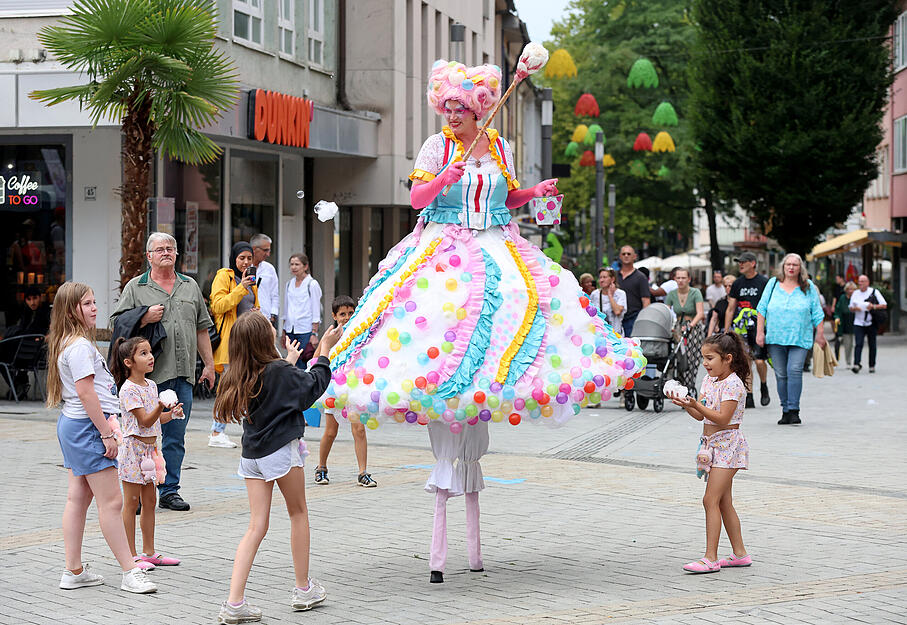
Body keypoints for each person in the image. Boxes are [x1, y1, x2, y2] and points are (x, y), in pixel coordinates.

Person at [322, 59, 644, 580]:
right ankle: (442, 531)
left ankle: (469, 533)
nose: (452, 116)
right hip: (443, 249)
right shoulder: (436, 147)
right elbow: (416, 198)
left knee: (512, 319)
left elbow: (507, 198)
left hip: (496, 244)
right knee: (439, 332)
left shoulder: (498, 145)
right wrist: (443, 177)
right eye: (447, 108)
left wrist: (534, 193)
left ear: (479, 110)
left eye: (461, 109)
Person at [214, 313, 342, 623]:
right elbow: (313, 386)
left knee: (256, 526)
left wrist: (289, 360)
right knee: (298, 513)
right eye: (268, 325)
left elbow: (277, 383)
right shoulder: (279, 371)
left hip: (251, 456)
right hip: (280, 451)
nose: (273, 326)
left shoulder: (240, 372)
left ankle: (234, 603)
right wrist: (325, 349)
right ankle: (303, 589)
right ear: (262, 337)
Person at [47, 282, 157, 594]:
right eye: (87, 303)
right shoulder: (80, 347)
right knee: (111, 502)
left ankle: (74, 570)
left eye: (94, 302)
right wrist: (107, 433)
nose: (94, 308)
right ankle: (130, 571)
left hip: (76, 426)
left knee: (78, 498)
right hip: (87, 427)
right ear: (71, 310)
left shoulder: (70, 343)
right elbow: (86, 393)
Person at [111, 232, 215, 512]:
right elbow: (117, 323)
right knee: (141, 438)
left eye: (170, 248)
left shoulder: (189, 286)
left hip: (183, 375)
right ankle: (139, 493)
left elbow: (201, 328)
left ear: (177, 254)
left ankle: (169, 490)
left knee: (175, 437)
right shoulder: (136, 287)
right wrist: (144, 317)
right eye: (159, 249)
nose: (166, 252)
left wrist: (209, 365)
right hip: (148, 380)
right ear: (149, 256)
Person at [669, 332, 751, 575]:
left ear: (728, 358)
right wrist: (687, 405)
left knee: (710, 500)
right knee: (723, 502)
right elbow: (701, 415)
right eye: (703, 358)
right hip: (711, 445)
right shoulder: (709, 380)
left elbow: (723, 419)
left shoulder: (733, 384)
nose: (705, 363)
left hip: (728, 447)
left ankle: (710, 558)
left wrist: (696, 405)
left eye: (710, 358)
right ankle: (740, 554)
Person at [110, 336, 184, 570]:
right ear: (128, 362)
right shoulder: (128, 389)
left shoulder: (151, 385)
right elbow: (144, 420)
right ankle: (131, 555)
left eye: (150, 352)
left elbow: (155, 420)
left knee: (150, 501)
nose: (151, 357)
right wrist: (161, 406)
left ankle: (149, 552)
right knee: (132, 503)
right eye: (143, 353)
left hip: (150, 452)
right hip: (133, 451)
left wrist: (171, 414)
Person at [755, 253, 825, 425]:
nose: (791, 267)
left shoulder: (808, 286)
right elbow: (762, 308)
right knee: (781, 374)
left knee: (794, 370)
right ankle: (785, 409)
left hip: (800, 337)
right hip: (775, 337)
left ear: (801, 268)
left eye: (795, 265)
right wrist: (759, 332)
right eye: (788, 264)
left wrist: (820, 333)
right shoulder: (773, 284)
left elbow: (817, 311)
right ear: (783, 266)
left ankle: (794, 410)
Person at [314, 296, 376, 487]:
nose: (347, 317)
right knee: (331, 431)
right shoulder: (330, 335)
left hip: (355, 387)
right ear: (334, 316)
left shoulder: (360, 333)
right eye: (342, 314)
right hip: (333, 388)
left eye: (350, 313)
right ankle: (321, 467)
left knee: (359, 429)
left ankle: (363, 472)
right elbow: (316, 359)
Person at [208, 241, 260, 448]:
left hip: (249, 341)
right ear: (234, 259)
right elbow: (218, 306)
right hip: (231, 342)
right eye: (242, 258)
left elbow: (253, 306)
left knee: (249, 384)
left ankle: (251, 428)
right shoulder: (225, 276)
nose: (246, 262)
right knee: (229, 386)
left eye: (249, 258)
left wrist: (256, 313)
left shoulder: (251, 280)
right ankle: (216, 432)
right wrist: (241, 288)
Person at [723, 251, 770, 409]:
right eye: (739, 262)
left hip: (758, 326)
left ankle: (764, 385)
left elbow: (770, 306)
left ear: (753, 263)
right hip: (741, 327)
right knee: (746, 360)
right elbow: (731, 308)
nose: (740, 265)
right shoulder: (738, 283)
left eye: (743, 262)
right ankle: (749, 395)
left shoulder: (764, 282)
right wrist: (727, 330)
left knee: (759, 360)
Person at [664, 268, 706, 390]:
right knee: (679, 357)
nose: (681, 280)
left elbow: (700, 313)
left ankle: (690, 385)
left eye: (683, 278)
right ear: (674, 279)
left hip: (693, 326)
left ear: (689, 279)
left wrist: (690, 325)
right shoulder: (672, 294)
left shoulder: (695, 292)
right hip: (678, 327)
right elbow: (666, 311)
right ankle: (680, 386)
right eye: (678, 278)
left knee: (692, 358)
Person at [282, 253, 322, 368]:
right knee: (292, 362)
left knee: (304, 361)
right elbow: (286, 308)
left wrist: (314, 333)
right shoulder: (289, 284)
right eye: (291, 264)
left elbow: (316, 310)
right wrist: (284, 330)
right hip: (290, 329)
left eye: (297, 264)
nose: (293, 267)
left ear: (305, 266)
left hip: (305, 330)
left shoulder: (312, 284)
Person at [849, 274, 887, 374]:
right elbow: (851, 307)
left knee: (872, 344)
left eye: (862, 281)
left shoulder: (874, 292)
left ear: (867, 283)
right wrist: (855, 308)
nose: (860, 283)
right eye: (859, 281)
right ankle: (856, 364)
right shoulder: (856, 293)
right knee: (858, 343)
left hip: (871, 322)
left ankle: (872, 365)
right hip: (858, 322)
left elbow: (884, 305)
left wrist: (873, 306)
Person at [616, 245, 651, 336]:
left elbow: (646, 301)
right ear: (620, 256)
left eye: (629, 254)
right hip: (615, 318)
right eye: (623, 254)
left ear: (634, 256)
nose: (626, 256)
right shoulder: (614, 276)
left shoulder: (641, 277)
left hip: (633, 318)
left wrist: (643, 320)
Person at [250, 234, 280, 328]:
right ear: (254, 249)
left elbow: (274, 294)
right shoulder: (243, 268)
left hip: (266, 319)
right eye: (265, 250)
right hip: (247, 320)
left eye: (269, 250)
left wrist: (273, 315)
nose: (268, 254)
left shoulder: (269, 269)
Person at [833, 281, 856, 367]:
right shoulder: (842, 298)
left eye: (852, 289)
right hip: (845, 323)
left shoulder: (856, 297)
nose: (850, 291)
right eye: (849, 289)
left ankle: (856, 360)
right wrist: (837, 317)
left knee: (855, 344)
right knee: (848, 344)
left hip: (855, 323)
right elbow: (838, 310)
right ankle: (848, 361)